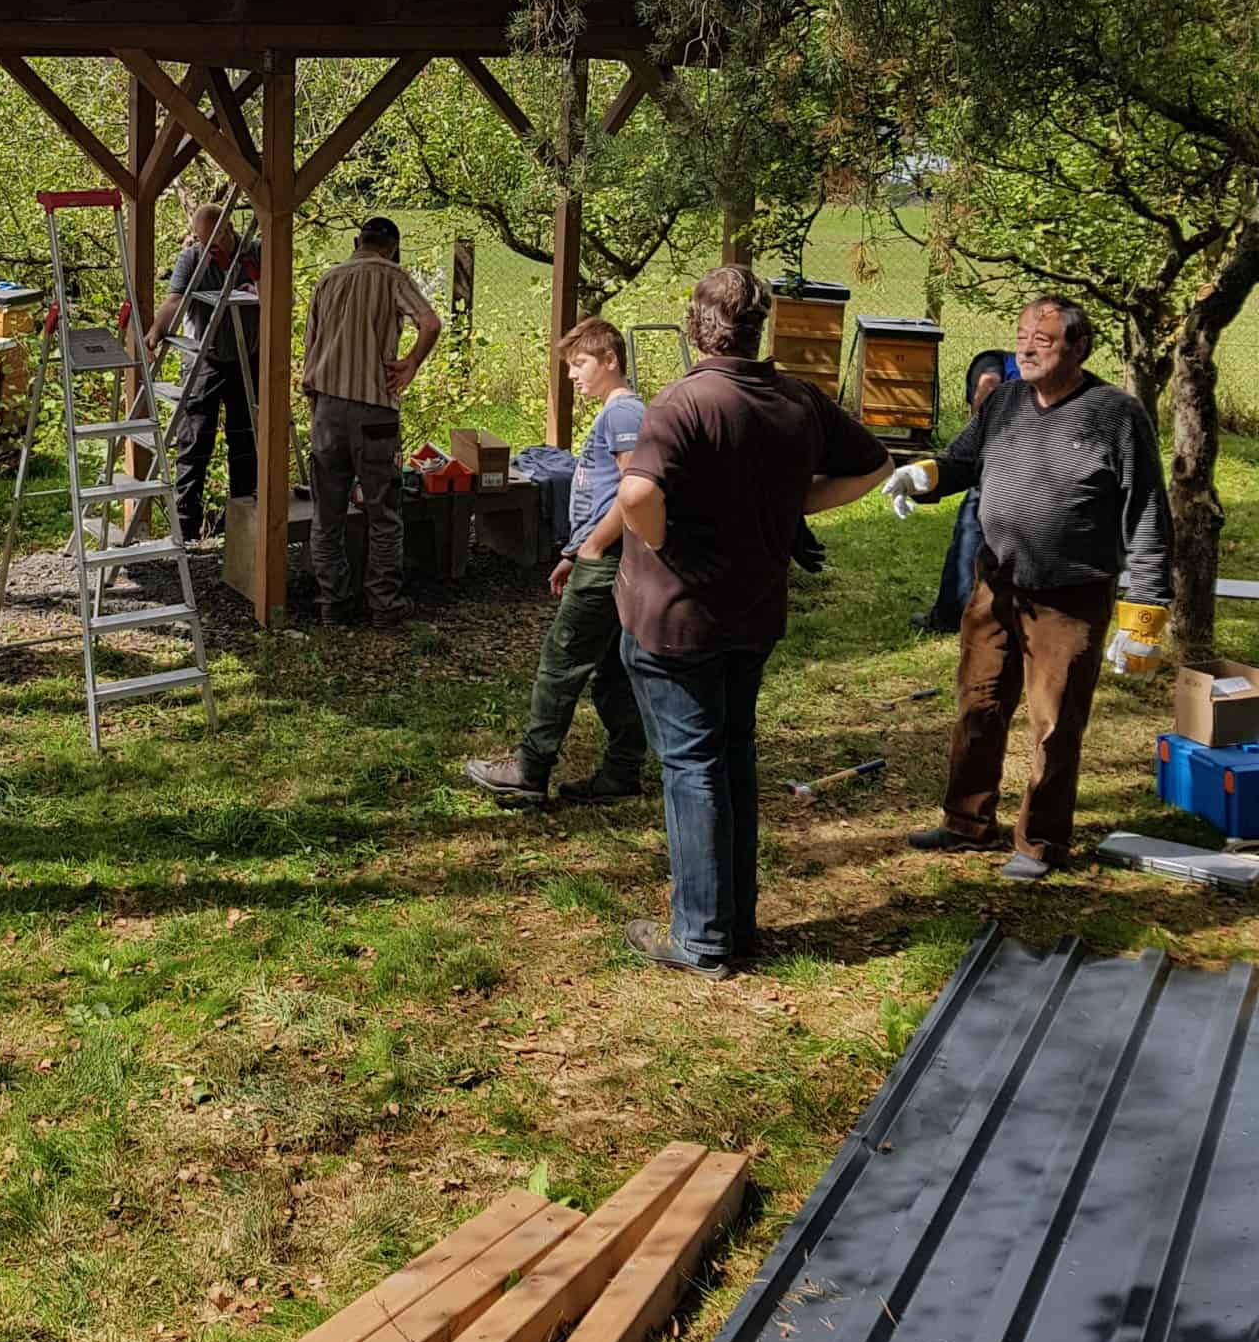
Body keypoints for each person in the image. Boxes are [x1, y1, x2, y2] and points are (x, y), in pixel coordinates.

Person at [614, 266, 892, 976]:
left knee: (693, 767)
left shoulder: (684, 400)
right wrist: (793, 505)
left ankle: (702, 938)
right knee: (732, 758)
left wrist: (665, 542)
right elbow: (875, 465)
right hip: (754, 613)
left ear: (696, 325)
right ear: (758, 328)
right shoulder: (798, 399)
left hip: (677, 620)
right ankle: (734, 923)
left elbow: (638, 494)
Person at [888, 296, 1172, 882]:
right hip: (996, 586)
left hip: (1070, 596)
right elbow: (963, 460)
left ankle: (1041, 842)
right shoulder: (1006, 401)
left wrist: (1144, 614)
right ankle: (966, 823)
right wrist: (922, 476)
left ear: (1078, 347)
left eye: (1042, 340)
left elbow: (1147, 512)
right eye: (1021, 336)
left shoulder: (1115, 415)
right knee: (978, 704)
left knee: (1054, 723)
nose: (1025, 348)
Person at [463, 316, 649, 807]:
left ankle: (529, 769)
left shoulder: (624, 414)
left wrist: (594, 548)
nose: (572, 375)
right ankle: (622, 772)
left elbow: (635, 491)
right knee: (613, 670)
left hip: (607, 561)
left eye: (580, 363)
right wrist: (573, 551)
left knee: (561, 660)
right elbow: (605, 493)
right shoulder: (616, 414)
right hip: (603, 556)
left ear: (610, 360)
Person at [301, 215, 441, 627]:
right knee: (383, 512)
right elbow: (430, 322)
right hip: (375, 410)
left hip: (327, 409)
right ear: (392, 247)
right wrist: (411, 362)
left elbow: (310, 347)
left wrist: (315, 406)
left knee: (327, 514)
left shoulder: (327, 280)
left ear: (356, 241)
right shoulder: (392, 276)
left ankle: (333, 602)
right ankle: (384, 603)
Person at [147, 202, 259, 544]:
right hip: (203, 357)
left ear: (229, 230)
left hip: (248, 357)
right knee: (194, 438)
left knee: (245, 438)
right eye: (201, 238)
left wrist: (257, 287)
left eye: (213, 238)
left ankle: (243, 521)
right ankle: (186, 525)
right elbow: (174, 301)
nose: (207, 245)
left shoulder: (256, 252)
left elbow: (284, 296)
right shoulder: (192, 258)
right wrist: (155, 333)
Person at [910, 349, 1011, 636]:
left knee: (970, 534)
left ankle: (952, 616)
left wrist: (980, 436)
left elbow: (988, 382)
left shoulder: (988, 365)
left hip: (998, 464)